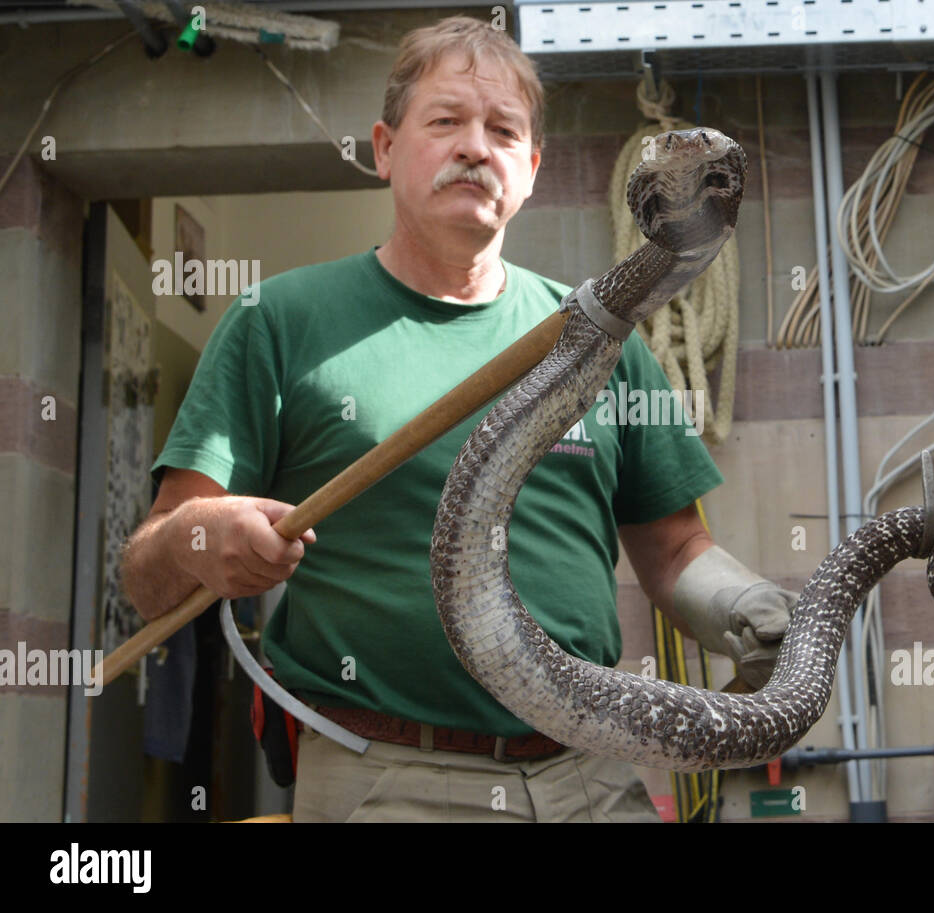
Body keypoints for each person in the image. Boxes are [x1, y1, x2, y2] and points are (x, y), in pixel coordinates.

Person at [121, 15, 795, 822]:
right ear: (383, 147)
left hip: (594, 771)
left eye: (503, 130)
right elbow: (145, 574)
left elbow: (677, 549)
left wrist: (745, 608)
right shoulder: (280, 321)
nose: (476, 147)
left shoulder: (600, 338)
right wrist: (207, 535)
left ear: (533, 168)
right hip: (390, 777)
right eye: (445, 121)